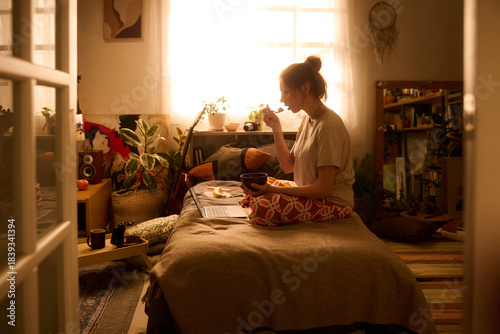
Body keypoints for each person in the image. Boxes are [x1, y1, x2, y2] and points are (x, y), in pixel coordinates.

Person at [240, 55, 355, 226]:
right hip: (308, 195)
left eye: (285, 91)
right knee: (258, 188)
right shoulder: (307, 121)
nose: (281, 99)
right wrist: (276, 128)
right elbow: (288, 166)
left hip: (332, 203)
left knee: (262, 205)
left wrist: (272, 191)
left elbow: (323, 189)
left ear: (305, 88)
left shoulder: (328, 126)